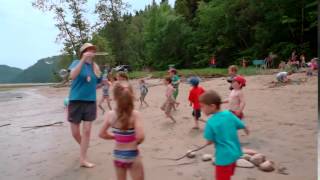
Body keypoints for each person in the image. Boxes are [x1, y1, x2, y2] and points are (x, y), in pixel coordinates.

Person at [99, 81, 145, 180]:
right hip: (132, 154)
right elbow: (140, 136)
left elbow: (102, 134)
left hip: (118, 155)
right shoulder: (135, 114)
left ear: (115, 97)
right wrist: (135, 142)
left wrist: (115, 136)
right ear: (132, 96)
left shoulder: (110, 115)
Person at [199, 90, 249, 180]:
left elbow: (209, 141)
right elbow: (241, 125)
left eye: (202, 106)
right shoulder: (228, 114)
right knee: (228, 175)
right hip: (235, 153)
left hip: (223, 158)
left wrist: (210, 140)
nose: (201, 109)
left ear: (212, 106)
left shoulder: (210, 122)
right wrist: (246, 129)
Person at [67, 42, 102, 168]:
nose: (91, 52)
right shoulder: (76, 62)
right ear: (83, 52)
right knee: (75, 133)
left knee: (87, 130)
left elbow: (98, 83)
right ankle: (84, 146)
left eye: (93, 50)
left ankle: (83, 159)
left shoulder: (96, 67)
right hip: (75, 100)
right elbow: (72, 75)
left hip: (90, 101)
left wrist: (103, 83)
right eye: (88, 50)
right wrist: (82, 60)